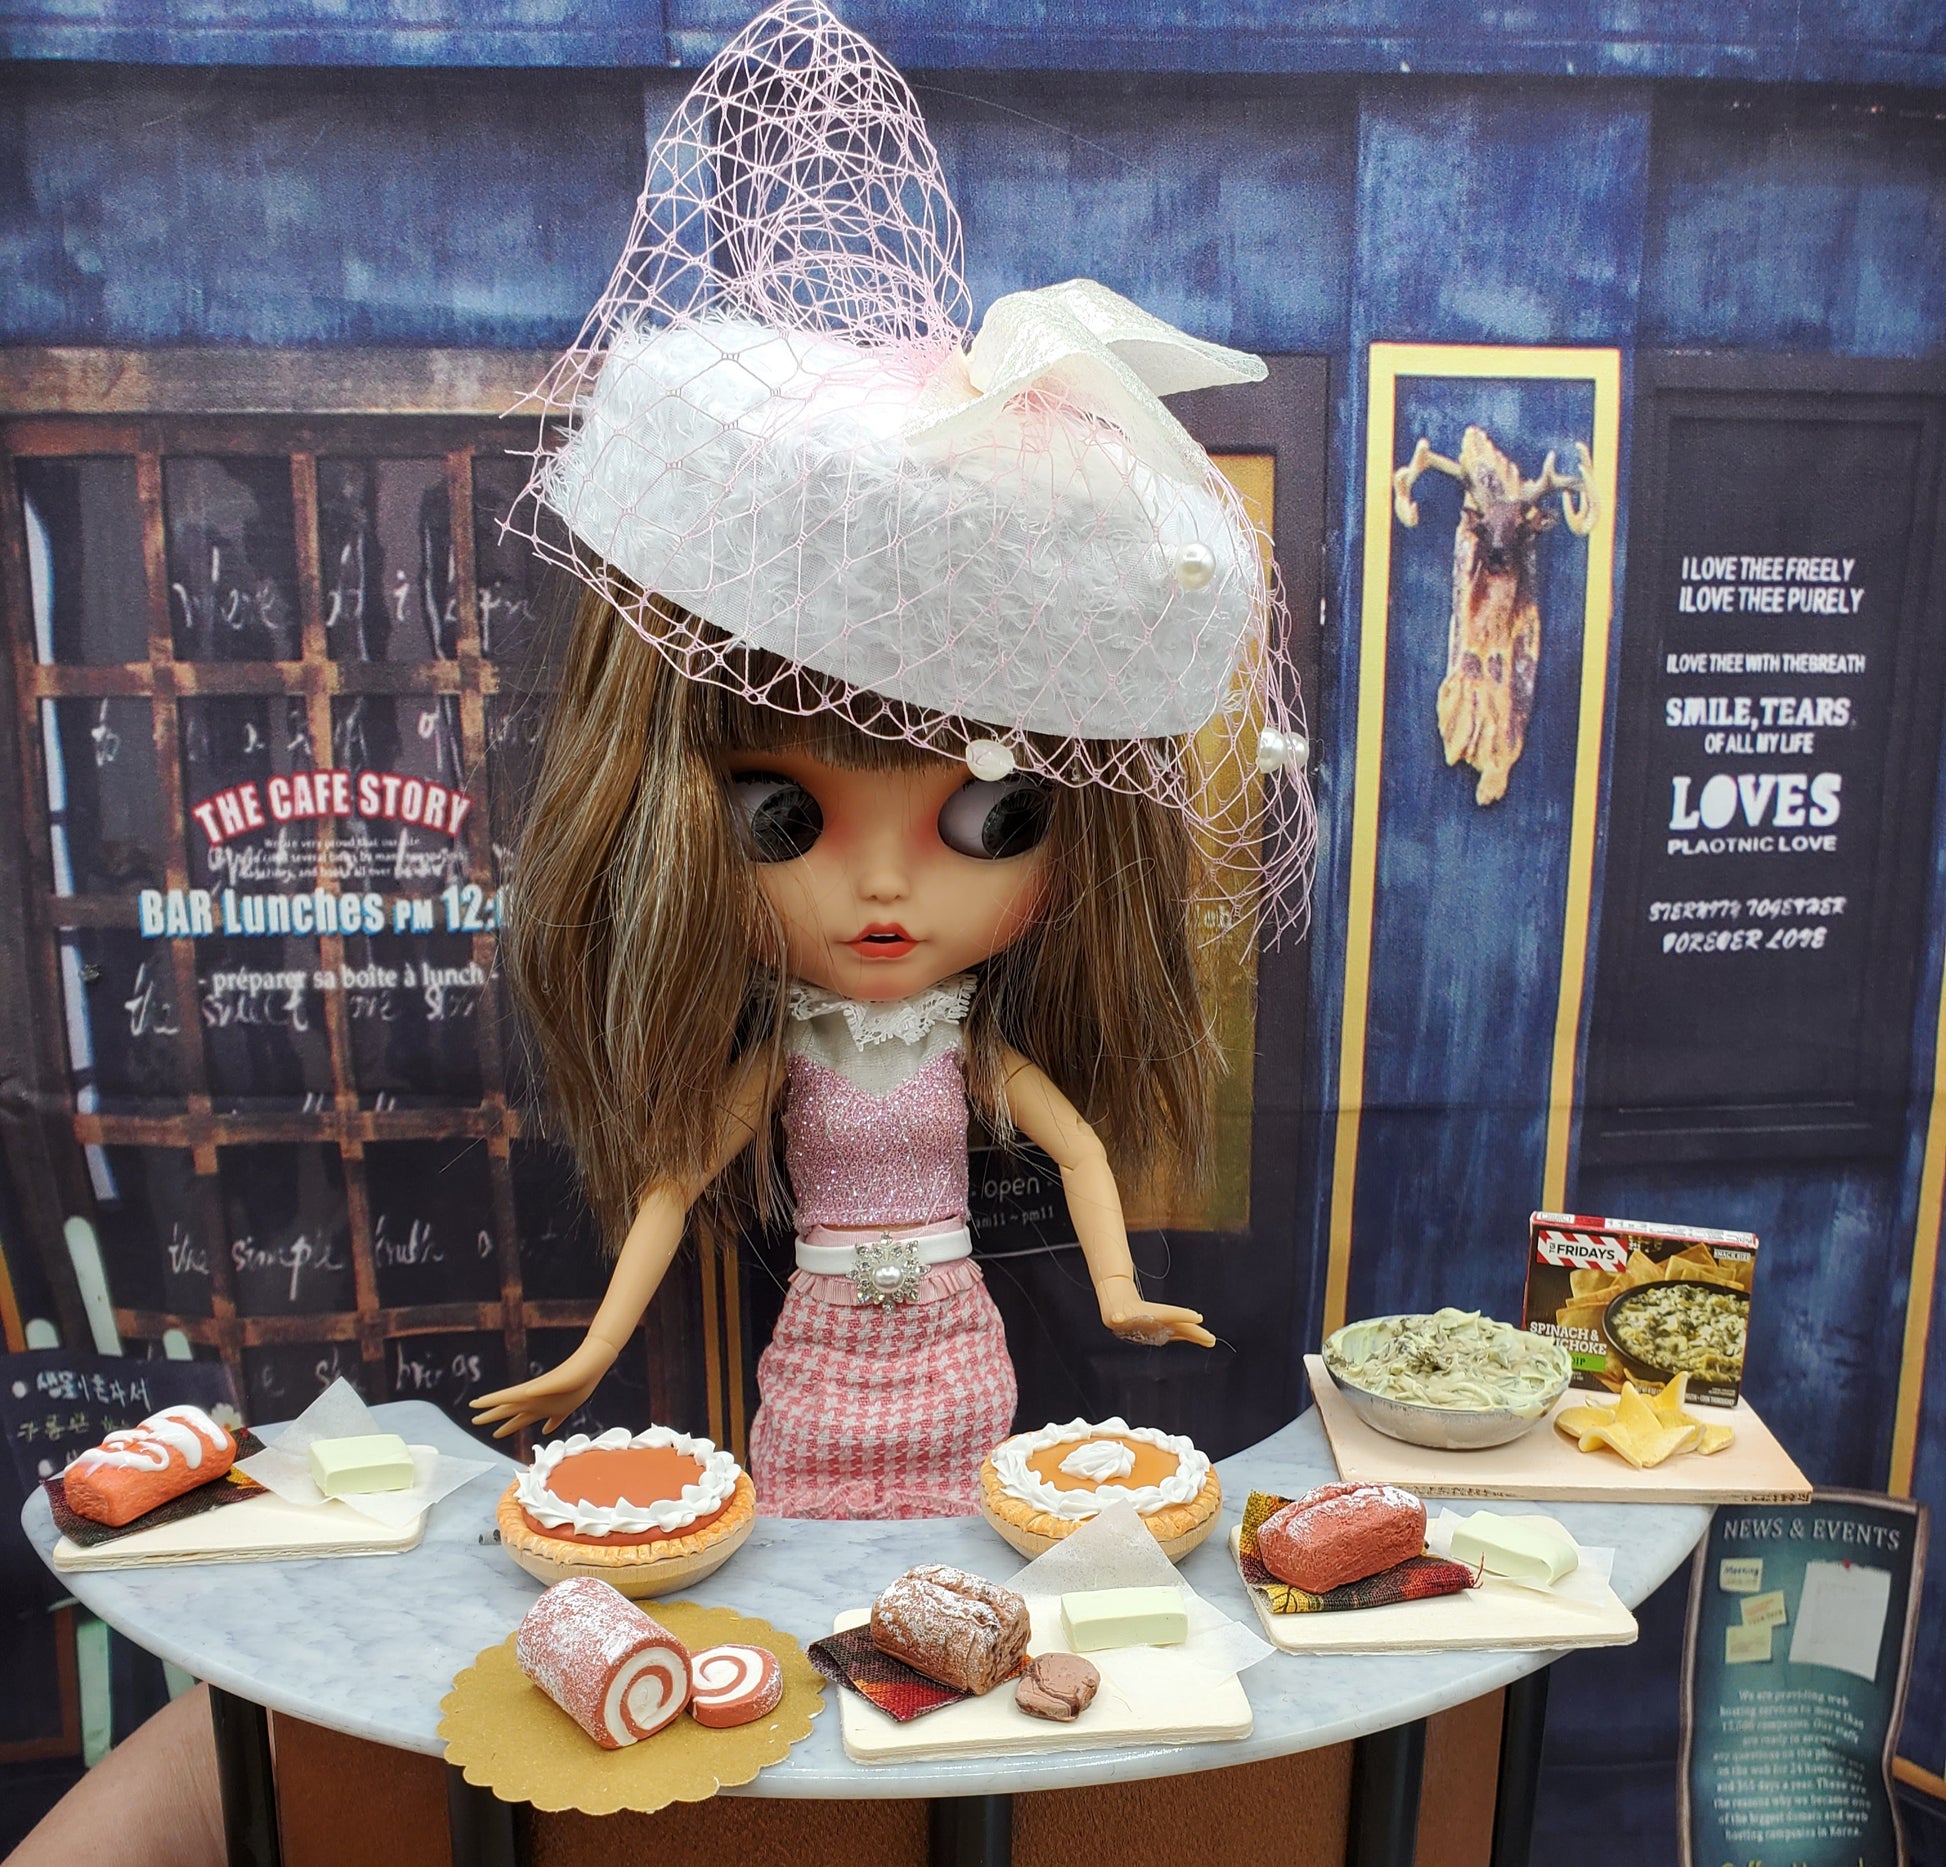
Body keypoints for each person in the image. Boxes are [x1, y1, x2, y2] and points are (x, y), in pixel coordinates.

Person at [469, 0, 1312, 1514]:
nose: (880, 889)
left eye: (990, 820)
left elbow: (1079, 1156)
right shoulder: (788, 1052)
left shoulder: (968, 1047)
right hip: (821, 1359)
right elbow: (673, 1185)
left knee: (959, 1564)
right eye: (777, 817)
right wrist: (588, 1358)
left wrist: (1121, 1296)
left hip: (955, 1354)